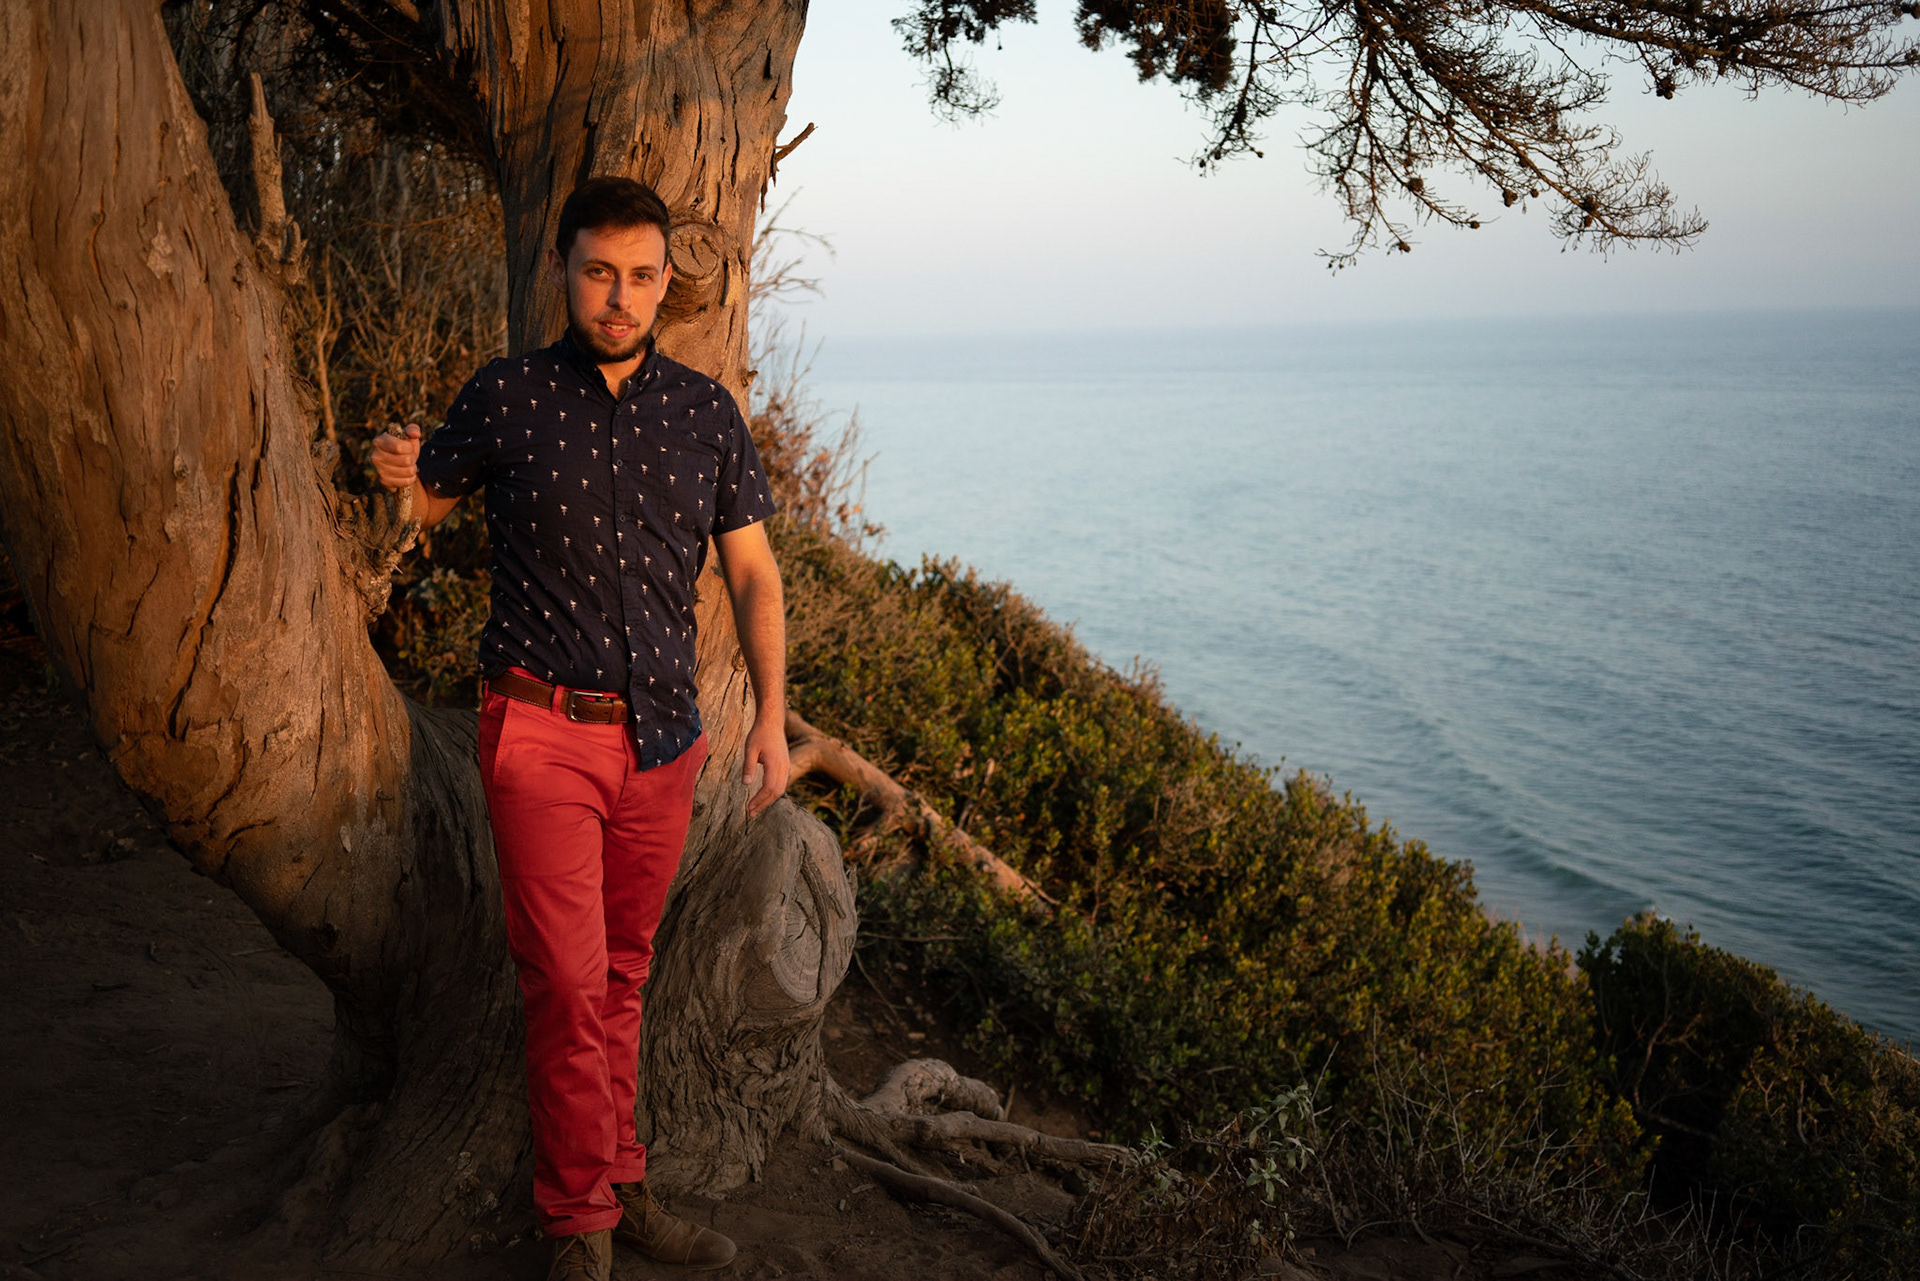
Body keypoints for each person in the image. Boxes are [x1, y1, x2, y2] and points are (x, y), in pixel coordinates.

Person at [371, 177, 789, 1281]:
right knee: (563, 979)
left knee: (621, 976)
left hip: (664, 741)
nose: (619, 297)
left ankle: (620, 1181)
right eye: (600, 272)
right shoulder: (506, 394)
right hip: (540, 729)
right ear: (562, 270)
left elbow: (753, 574)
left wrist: (772, 717)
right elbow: (428, 502)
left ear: (666, 282)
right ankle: (580, 1227)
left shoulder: (706, 414)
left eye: (641, 276)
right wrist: (401, 476)